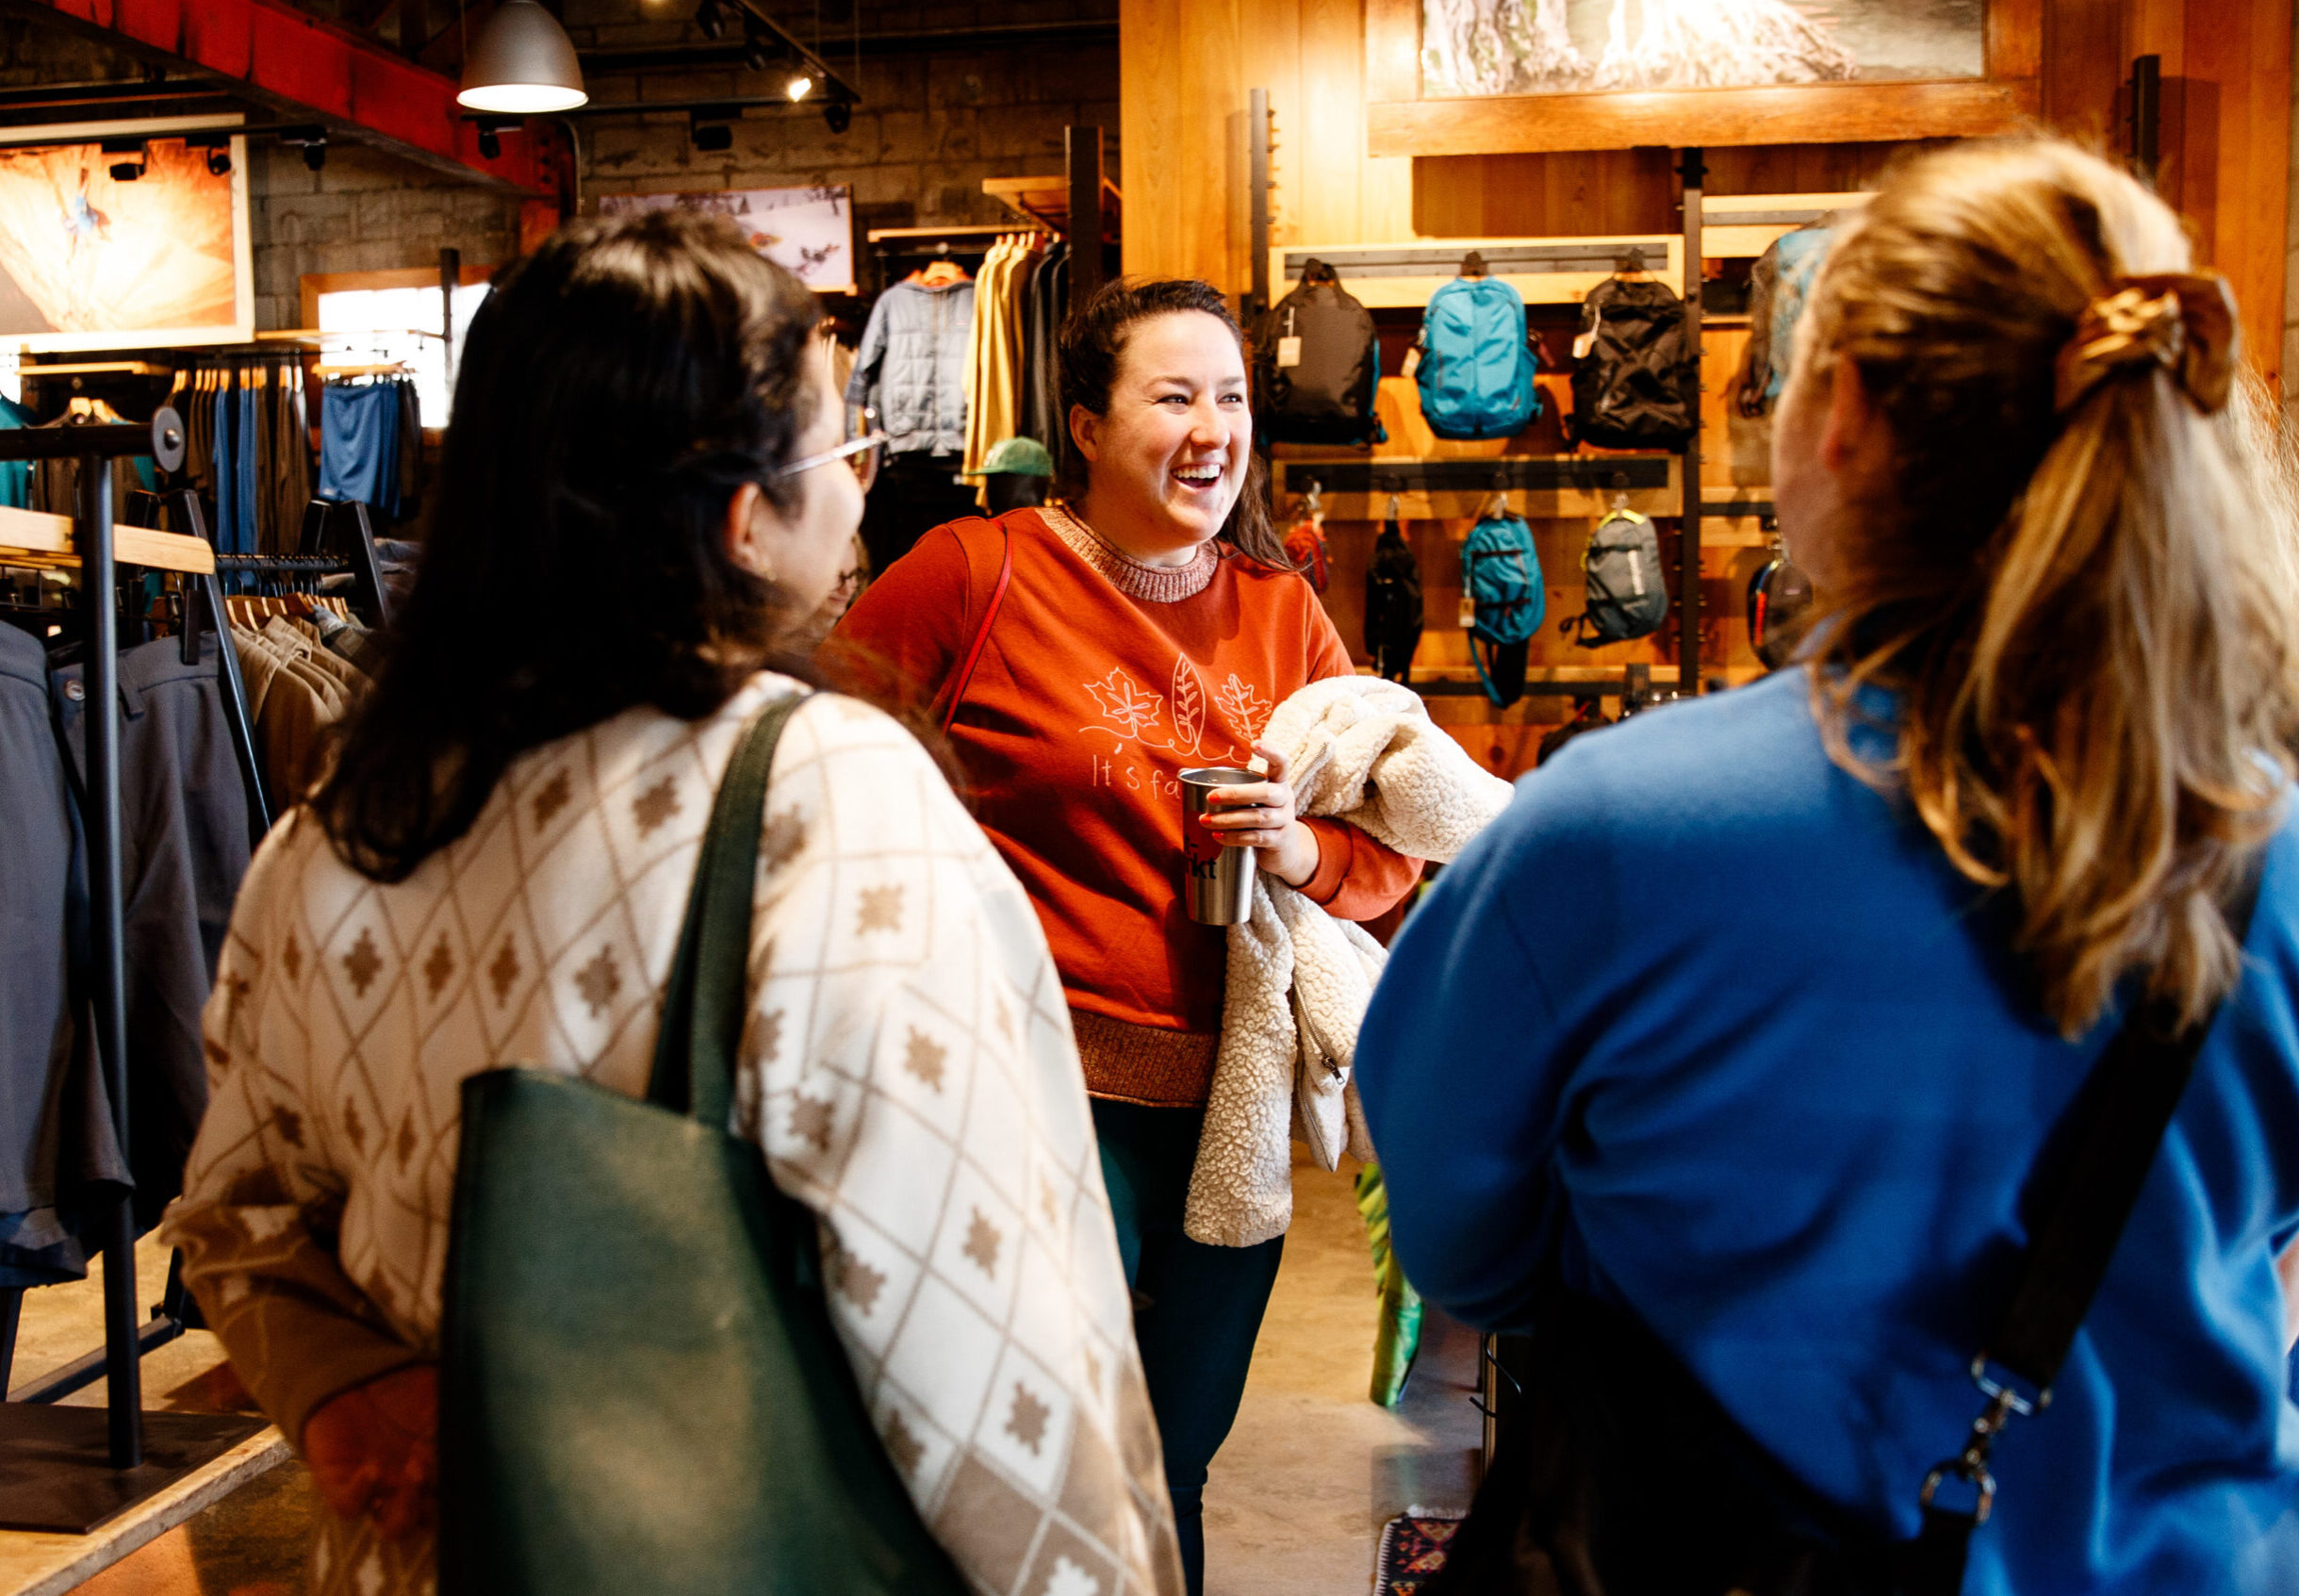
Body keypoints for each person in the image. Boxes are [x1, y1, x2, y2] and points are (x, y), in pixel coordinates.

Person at [165, 212, 1181, 1596]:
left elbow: (234, 1209)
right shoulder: (823, 807)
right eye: (847, 447)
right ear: (743, 517)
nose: (868, 488)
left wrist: (344, 1389)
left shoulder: (348, 819)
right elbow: (991, 1345)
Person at [1356, 137, 2299, 1593]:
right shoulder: (2270, 849)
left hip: (1699, 1547)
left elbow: (1460, 1241)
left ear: (1845, 416)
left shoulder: (1614, 830)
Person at [832, 279, 1422, 1594]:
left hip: (1233, 1115)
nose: (1213, 427)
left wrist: (1300, 849)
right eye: (1174, 395)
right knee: (1029, 1462)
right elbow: (811, 773)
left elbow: (1396, 840)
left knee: (1174, 1463)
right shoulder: (973, 572)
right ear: (1088, 424)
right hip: (1032, 1106)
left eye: (1232, 398)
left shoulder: (1282, 608)